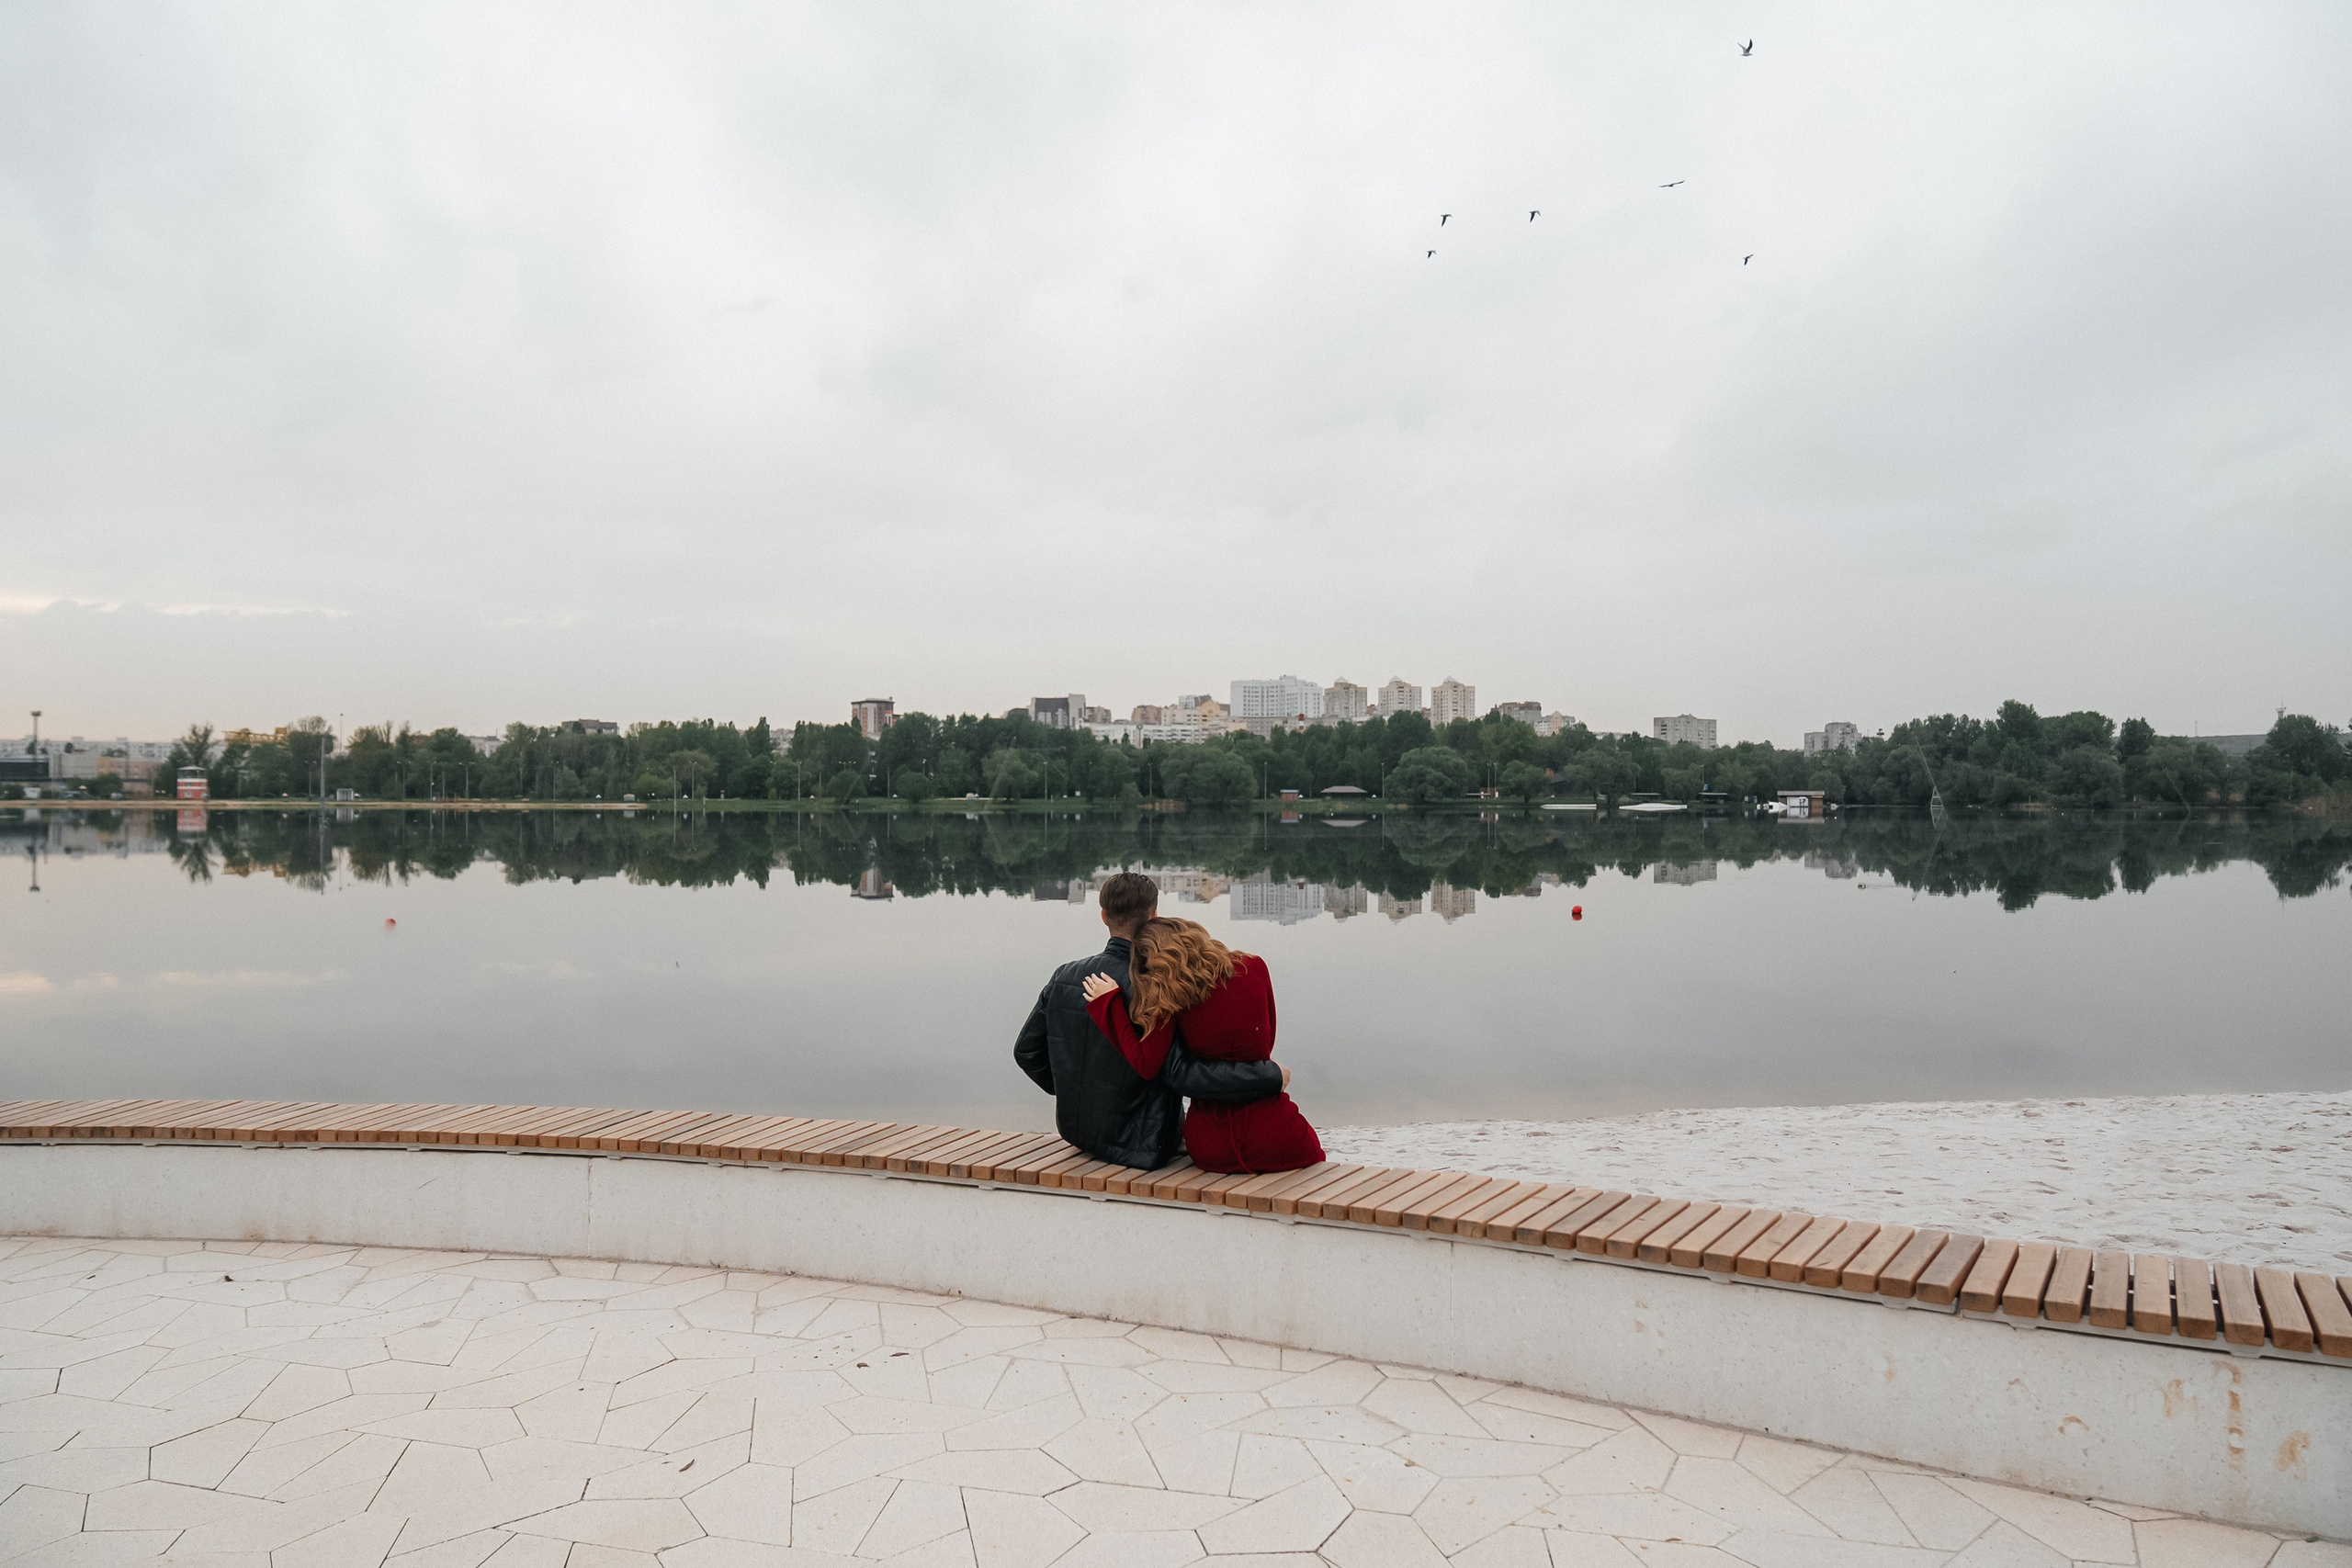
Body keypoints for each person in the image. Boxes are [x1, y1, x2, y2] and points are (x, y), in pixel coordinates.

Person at [1013, 872, 1284, 1169]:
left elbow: (1026, 1052)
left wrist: (1072, 1092)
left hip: (1077, 1133)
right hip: (1146, 1146)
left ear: (1103, 916)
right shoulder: (1159, 986)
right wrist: (1269, 1077)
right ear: (1154, 915)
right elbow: (1183, 1074)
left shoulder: (1064, 975)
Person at [1080, 917, 1324, 1175]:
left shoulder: (1169, 997)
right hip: (1281, 1136)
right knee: (1314, 1155)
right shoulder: (1254, 967)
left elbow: (1147, 1065)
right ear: (1194, 935)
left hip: (1212, 1148)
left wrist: (1109, 1005)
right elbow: (1266, 1043)